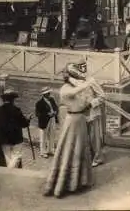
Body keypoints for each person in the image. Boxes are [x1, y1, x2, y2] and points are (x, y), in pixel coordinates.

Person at [44, 63, 98, 197]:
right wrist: (88, 82)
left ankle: (79, 182)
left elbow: (84, 103)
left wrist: (91, 103)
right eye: (75, 77)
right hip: (72, 121)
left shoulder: (77, 88)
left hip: (80, 120)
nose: (77, 80)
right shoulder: (65, 89)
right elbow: (76, 91)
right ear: (69, 78)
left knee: (80, 149)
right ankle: (64, 184)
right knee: (69, 148)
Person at [0, 88, 32, 168]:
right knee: (16, 156)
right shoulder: (17, 110)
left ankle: (10, 172)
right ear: (13, 100)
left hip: (3, 138)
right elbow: (24, 124)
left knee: (8, 157)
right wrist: (28, 119)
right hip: (16, 138)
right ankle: (11, 172)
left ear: (4, 99)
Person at [35, 87, 59, 159]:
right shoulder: (39, 103)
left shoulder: (52, 99)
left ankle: (51, 150)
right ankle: (43, 152)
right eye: (47, 93)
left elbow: (56, 108)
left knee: (52, 134)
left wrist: (55, 112)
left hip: (52, 119)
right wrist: (47, 114)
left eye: (49, 93)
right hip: (44, 121)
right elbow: (37, 114)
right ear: (44, 95)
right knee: (43, 136)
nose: (49, 94)